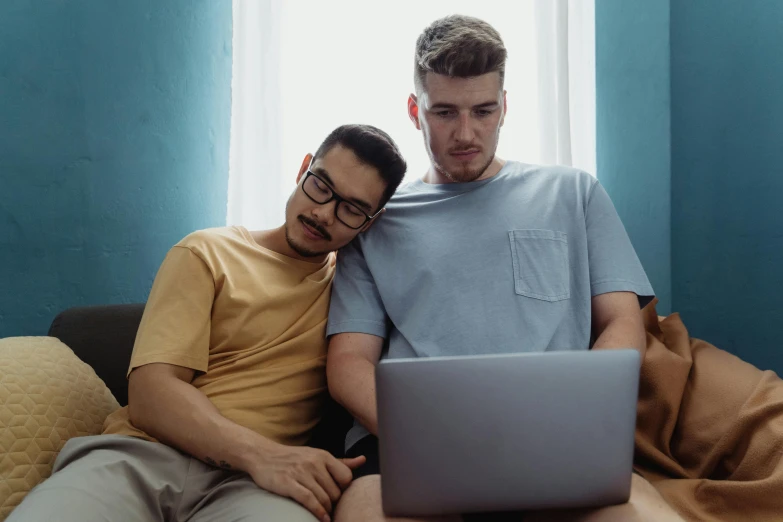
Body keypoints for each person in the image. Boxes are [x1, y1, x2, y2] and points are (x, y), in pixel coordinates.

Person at [326, 16, 685, 522]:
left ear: (505, 108)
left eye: (483, 110)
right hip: (412, 451)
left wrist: (578, 418)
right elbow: (347, 365)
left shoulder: (573, 193)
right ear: (415, 111)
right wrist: (435, 436)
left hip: (555, 444)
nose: (465, 133)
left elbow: (623, 324)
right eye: (445, 112)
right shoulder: (377, 224)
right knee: (363, 509)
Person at [8, 124, 407, 522]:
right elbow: (151, 392)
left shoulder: (356, 294)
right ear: (303, 168)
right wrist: (265, 456)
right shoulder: (207, 252)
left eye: (352, 209)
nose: (323, 213)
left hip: (254, 491)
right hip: (143, 458)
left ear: (370, 222)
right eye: (320, 185)